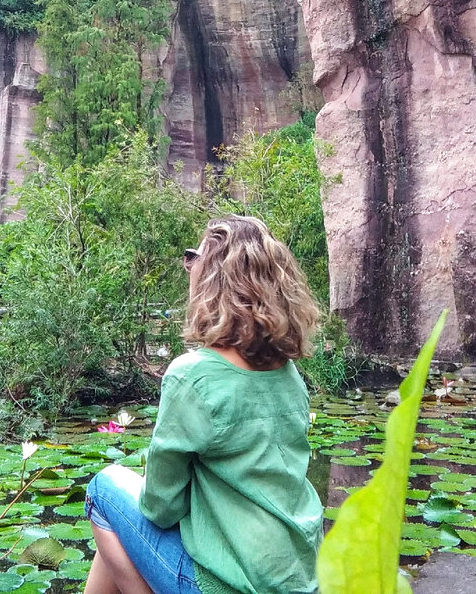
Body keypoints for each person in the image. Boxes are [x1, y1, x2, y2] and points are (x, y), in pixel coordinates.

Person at [83, 215, 323, 594]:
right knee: (121, 530)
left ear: (211, 278)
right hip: (296, 580)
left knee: (104, 490)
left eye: (193, 258)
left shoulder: (192, 376)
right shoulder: (289, 373)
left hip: (229, 584)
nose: (188, 267)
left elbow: (160, 508)